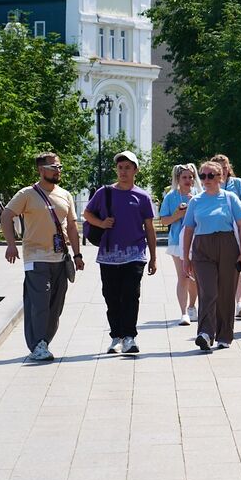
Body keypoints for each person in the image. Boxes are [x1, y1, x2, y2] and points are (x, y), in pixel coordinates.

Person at [1, 152, 84, 362]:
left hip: (60, 257)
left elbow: (72, 227)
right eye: (53, 167)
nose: (58, 171)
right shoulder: (27, 194)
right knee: (39, 302)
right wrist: (11, 245)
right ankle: (37, 344)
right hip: (35, 257)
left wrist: (77, 254)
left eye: (59, 167)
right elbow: (6, 215)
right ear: (41, 170)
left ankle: (44, 342)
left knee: (55, 305)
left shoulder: (65, 194)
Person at [83, 150, 157, 355]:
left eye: (127, 168)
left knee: (131, 295)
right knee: (111, 297)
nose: (123, 171)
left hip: (135, 254)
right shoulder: (104, 192)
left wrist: (154, 258)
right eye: (120, 167)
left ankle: (130, 337)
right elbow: (87, 214)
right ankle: (116, 337)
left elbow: (149, 228)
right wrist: (101, 223)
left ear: (135, 170)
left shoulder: (142, 196)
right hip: (108, 255)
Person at [182, 161, 241, 351]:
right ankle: (205, 333)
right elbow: (188, 230)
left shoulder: (230, 198)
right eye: (202, 176)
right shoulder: (195, 201)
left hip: (227, 245)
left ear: (221, 177)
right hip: (202, 249)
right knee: (208, 291)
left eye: (210, 175)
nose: (206, 179)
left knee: (226, 293)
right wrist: (186, 258)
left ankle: (224, 335)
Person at [159, 163, 201, 326]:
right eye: (184, 177)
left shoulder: (199, 195)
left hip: (197, 240)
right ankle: (183, 312)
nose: (188, 180)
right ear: (178, 178)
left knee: (195, 277)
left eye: (190, 177)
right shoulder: (171, 196)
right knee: (183, 275)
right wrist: (178, 214)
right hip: (177, 240)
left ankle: (192, 306)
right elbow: (164, 220)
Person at [211, 154, 241, 319]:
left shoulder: (237, 183)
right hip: (216, 231)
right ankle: (219, 303)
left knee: (238, 265)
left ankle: (239, 302)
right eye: (220, 167)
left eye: (225, 166)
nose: (223, 170)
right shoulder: (209, 184)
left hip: (237, 229)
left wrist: (236, 208)